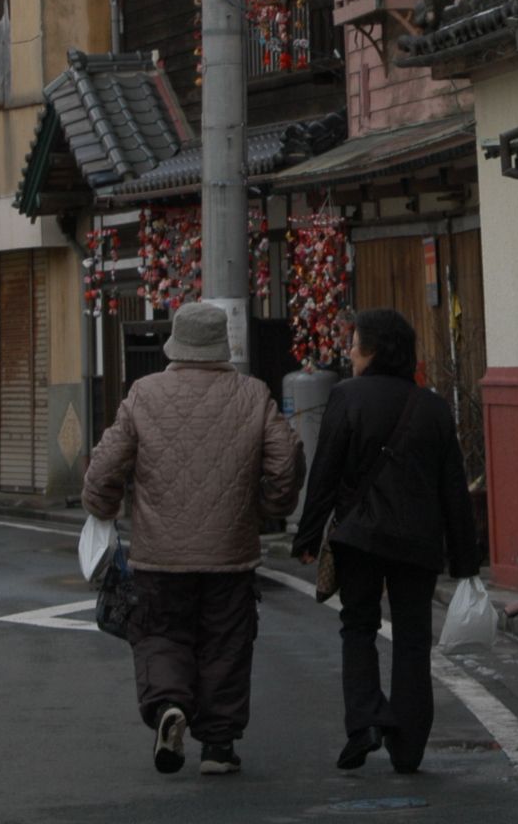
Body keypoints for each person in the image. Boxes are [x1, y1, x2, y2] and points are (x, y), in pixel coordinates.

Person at [82, 302, 303, 779]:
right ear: (223, 344)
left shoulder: (144, 393)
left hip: (159, 556)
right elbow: (284, 463)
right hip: (231, 553)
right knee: (226, 643)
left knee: (161, 634)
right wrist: (268, 507)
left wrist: (103, 509)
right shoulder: (252, 394)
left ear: (175, 345)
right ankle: (219, 747)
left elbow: (103, 469)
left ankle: (167, 707)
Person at [293, 309, 480, 775]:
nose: (349, 351)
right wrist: (465, 561)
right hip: (418, 543)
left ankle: (365, 723)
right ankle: (409, 746)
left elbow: (326, 473)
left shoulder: (346, 398)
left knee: (358, 627)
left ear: (372, 350)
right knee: (413, 639)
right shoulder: (433, 407)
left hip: (359, 538)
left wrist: (309, 534)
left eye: (354, 343)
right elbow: (453, 488)